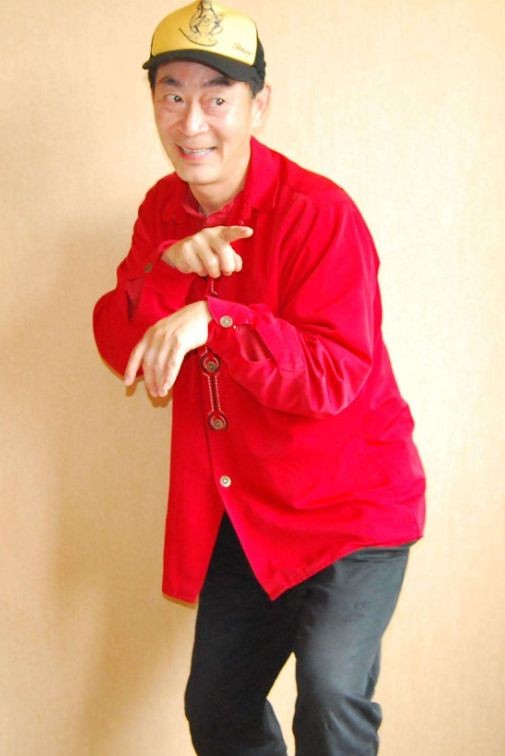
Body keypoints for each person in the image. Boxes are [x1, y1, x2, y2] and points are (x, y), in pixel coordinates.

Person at [93, 2, 426, 753]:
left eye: (217, 97)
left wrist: (217, 321)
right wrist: (167, 269)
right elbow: (122, 345)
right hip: (248, 515)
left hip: (352, 509)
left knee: (330, 693)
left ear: (258, 105)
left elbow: (333, 375)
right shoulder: (162, 211)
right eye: (172, 94)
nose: (192, 122)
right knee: (216, 707)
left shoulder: (320, 214)